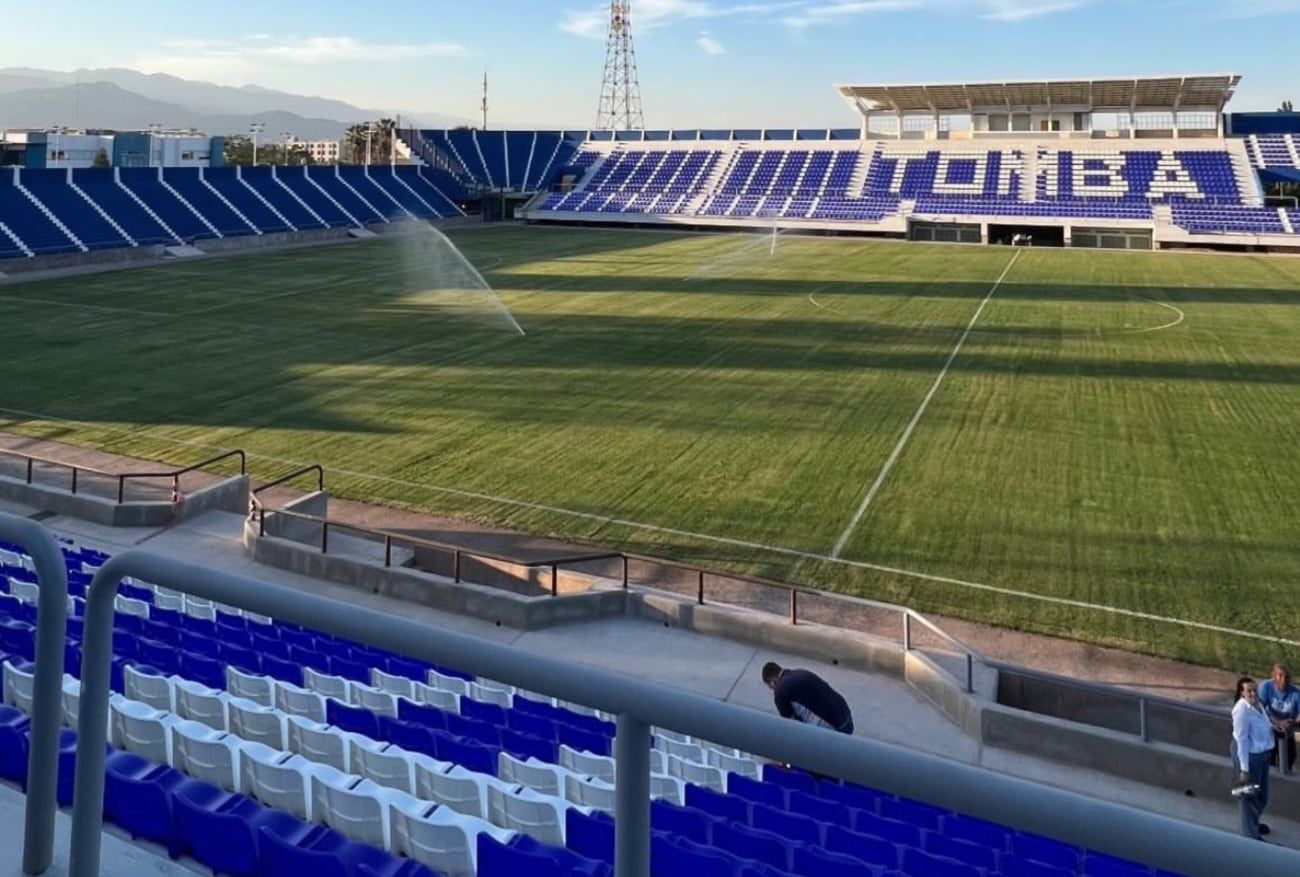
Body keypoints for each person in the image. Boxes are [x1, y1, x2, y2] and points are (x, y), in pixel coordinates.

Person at [1231, 676, 1274, 839]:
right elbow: (1241, 741)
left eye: (1254, 690)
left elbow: (1265, 724)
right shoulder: (1242, 711)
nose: (1253, 693)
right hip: (1250, 757)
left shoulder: (1258, 705)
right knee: (1248, 797)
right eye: (1249, 690)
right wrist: (1244, 769)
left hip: (1262, 754)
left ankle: (1253, 824)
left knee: (1261, 796)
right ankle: (1250, 835)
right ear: (1241, 693)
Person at [761, 662, 853, 734]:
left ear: (772, 682)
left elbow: (791, 726)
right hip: (845, 714)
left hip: (832, 726)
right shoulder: (800, 672)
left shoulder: (780, 692)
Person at [1257, 663, 1299, 772]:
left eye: (1287, 677)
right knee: (1268, 761)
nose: (1283, 680)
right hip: (1269, 730)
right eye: (1280, 675)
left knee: (1288, 761)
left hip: (1287, 732)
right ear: (1273, 675)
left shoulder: (1296, 693)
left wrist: (1291, 722)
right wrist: (1277, 722)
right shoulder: (1265, 687)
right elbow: (1259, 709)